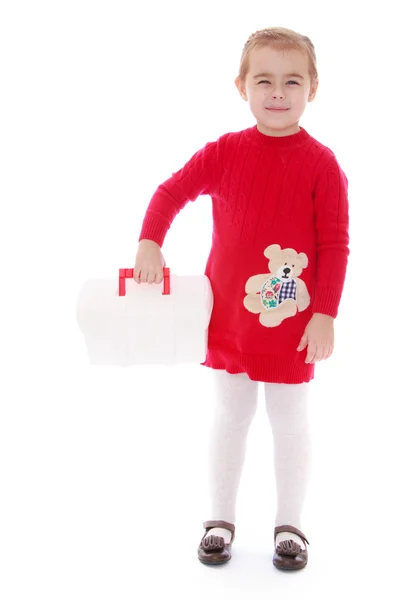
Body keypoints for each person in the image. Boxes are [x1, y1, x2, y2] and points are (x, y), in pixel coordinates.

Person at [133, 26, 350, 570]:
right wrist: (149, 241)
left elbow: (334, 244)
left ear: (313, 89)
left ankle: (291, 526)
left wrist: (324, 313)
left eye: (292, 81)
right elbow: (170, 191)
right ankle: (219, 518)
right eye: (265, 81)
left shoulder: (322, 165)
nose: (278, 93)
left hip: (294, 324)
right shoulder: (224, 152)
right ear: (242, 86)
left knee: (289, 419)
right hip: (229, 316)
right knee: (229, 415)